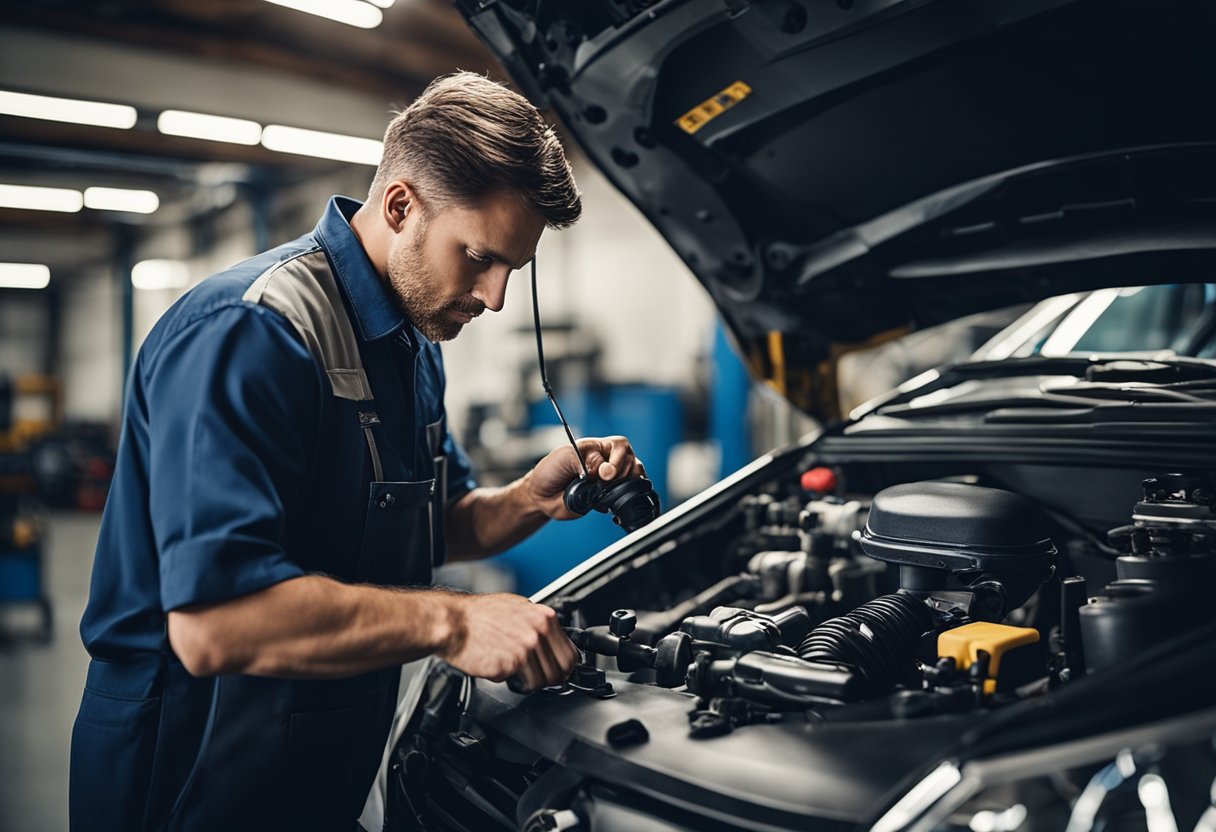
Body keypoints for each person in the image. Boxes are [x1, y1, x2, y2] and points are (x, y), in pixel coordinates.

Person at [69, 72, 645, 831]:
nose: (498, 297)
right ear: (401, 206)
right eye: (478, 257)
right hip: (188, 772)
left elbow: (436, 524)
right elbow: (215, 623)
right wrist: (459, 622)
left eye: (514, 269)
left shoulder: (411, 342)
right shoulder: (254, 332)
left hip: (316, 770)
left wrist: (534, 497)